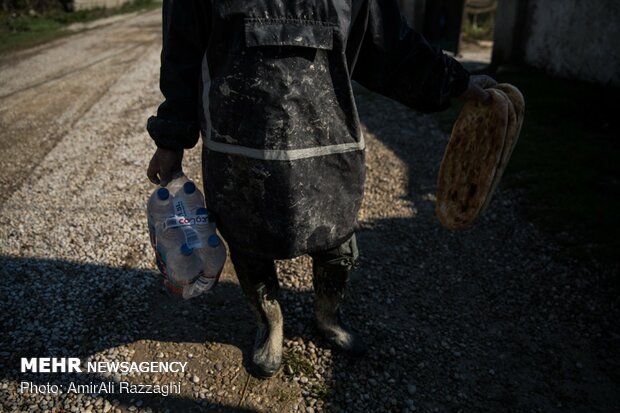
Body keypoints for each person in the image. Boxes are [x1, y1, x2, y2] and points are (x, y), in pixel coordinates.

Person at [146, 0, 496, 378]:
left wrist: (456, 81)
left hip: (328, 148)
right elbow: (181, 54)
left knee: (337, 242)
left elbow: (392, 46)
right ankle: (270, 323)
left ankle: (328, 317)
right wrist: (170, 141)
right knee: (248, 242)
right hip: (240, 152)